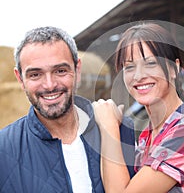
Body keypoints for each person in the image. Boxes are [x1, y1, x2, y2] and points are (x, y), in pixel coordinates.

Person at [93, 22, 184, 192]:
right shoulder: (148, 136)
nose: (139, 76)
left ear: (174, 68)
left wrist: (108, 127)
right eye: (129, 67)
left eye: (150, 63)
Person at [0, 26, 135, 192]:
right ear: (20, 78)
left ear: (77, 70)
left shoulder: (123, 131)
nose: (49, 85)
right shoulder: (4, 149)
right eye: (35, 74)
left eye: (60, 71)